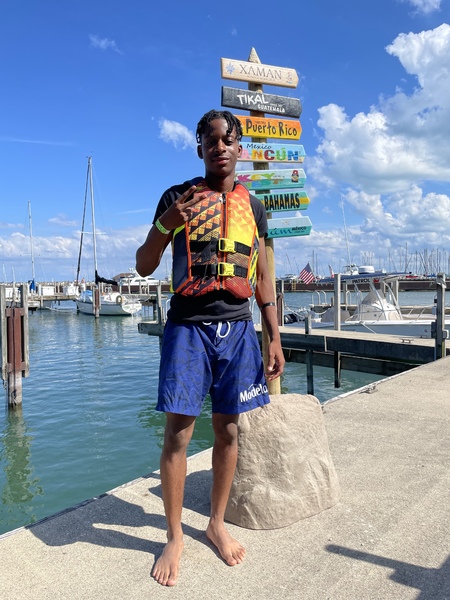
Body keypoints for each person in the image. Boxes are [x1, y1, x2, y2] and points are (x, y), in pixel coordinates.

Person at [136, 109, 285, 587]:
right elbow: (143, 266)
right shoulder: (176, 198)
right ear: (200, 147)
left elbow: (262, 277)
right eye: (211, 139)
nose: (220, 146)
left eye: (227, 139)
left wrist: (274, 336)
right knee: (178, 435)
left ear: (239, 147)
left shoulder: (254, 208)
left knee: (229, 431)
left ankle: (215, 523)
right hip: (188, 328)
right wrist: (165, 225)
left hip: (238, 330)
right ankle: (174, 535)